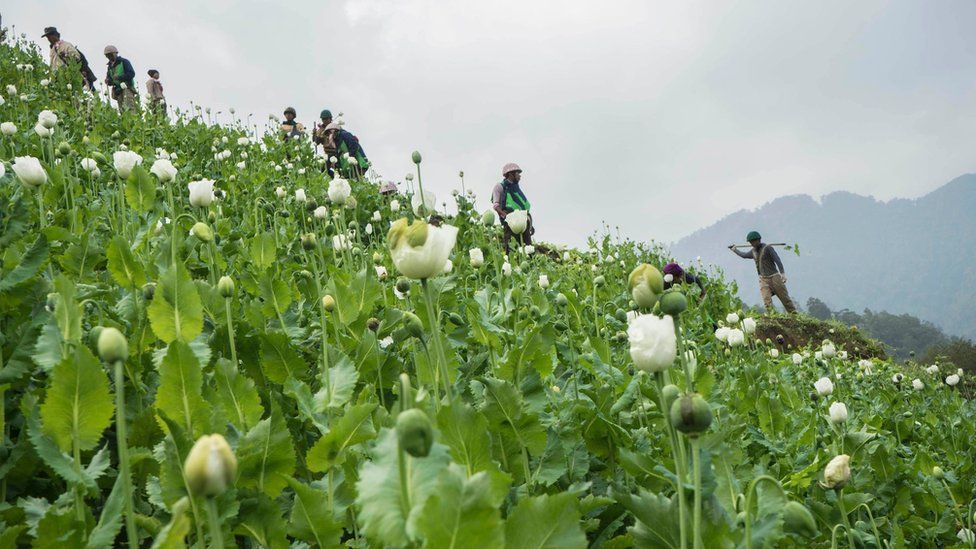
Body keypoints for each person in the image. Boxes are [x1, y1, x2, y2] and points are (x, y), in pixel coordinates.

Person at [728, 231, 796, 313]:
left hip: (775, 277)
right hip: (763, 279)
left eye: (753, 241)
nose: (752, 243)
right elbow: (744, 255)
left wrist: (782, 274)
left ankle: (794, 315)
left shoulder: (768, 248)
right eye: (750, 242)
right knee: (767, 301)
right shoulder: (753, 251)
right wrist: (735, 250)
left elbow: (777, 260)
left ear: (759, 240)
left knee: (785, 299)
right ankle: (773, 317)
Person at [492, 163, 534, 254]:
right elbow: (496, 205)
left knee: (529, 250)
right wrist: (507, 217)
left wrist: (530, 225)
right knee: (511, 250)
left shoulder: (517, 189)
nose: (520, 176)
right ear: (511, 174)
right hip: (510, 223)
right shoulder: (500, 187)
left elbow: (523, 208)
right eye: (518, 173)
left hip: (523, 224)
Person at [103, 45, 137, 112]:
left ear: (115, 53)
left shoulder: (124, 62)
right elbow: (110, 79)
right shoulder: (109, 66)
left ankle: (132, 122)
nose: (109, 57)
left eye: (110, 55)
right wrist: (108, 81)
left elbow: (131, 73)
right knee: (122, 110)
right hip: (118, 90)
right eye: (107, 56)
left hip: (127, 88)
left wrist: (120, 78)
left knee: (129, 108)